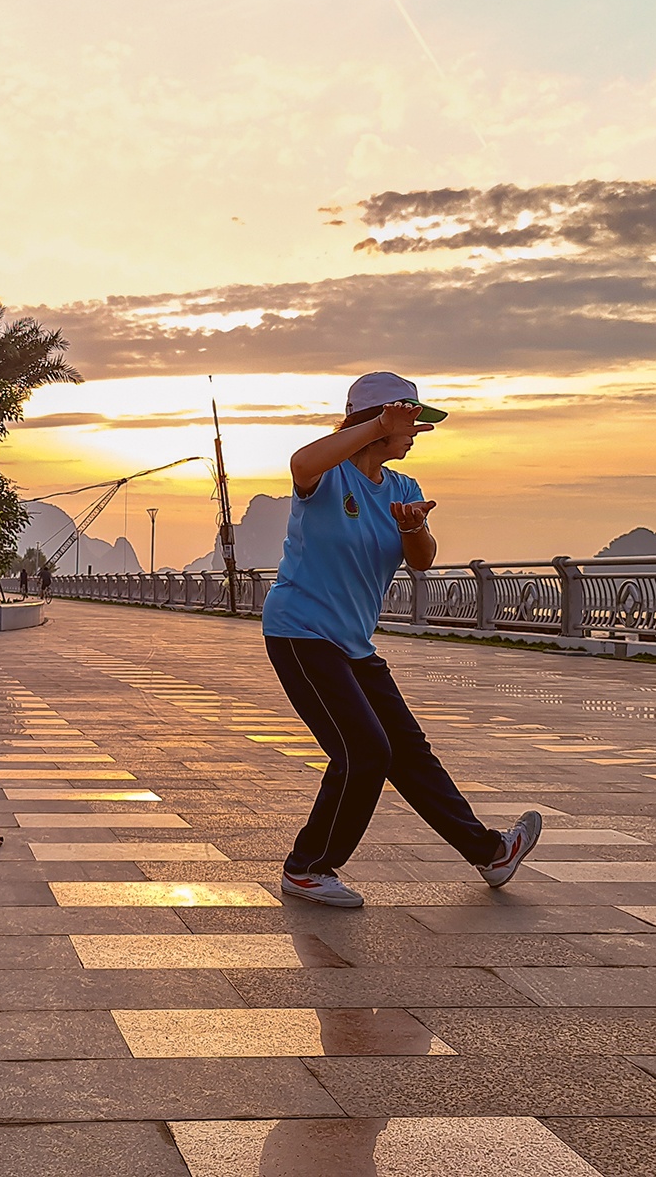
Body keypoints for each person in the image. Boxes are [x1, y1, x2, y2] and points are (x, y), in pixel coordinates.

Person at [259, 371, 541, 908]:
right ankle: (308, 868)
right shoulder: (329, 476)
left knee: (408, 753)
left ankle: (490, 853)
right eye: (409, 423)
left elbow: (421, 560)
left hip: (354, 643)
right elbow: (300, 464)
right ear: (380, 421)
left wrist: (413, 526)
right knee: (364, 751)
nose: (416, 435)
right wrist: (369, 429)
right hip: (301, 631)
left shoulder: (403, 488)